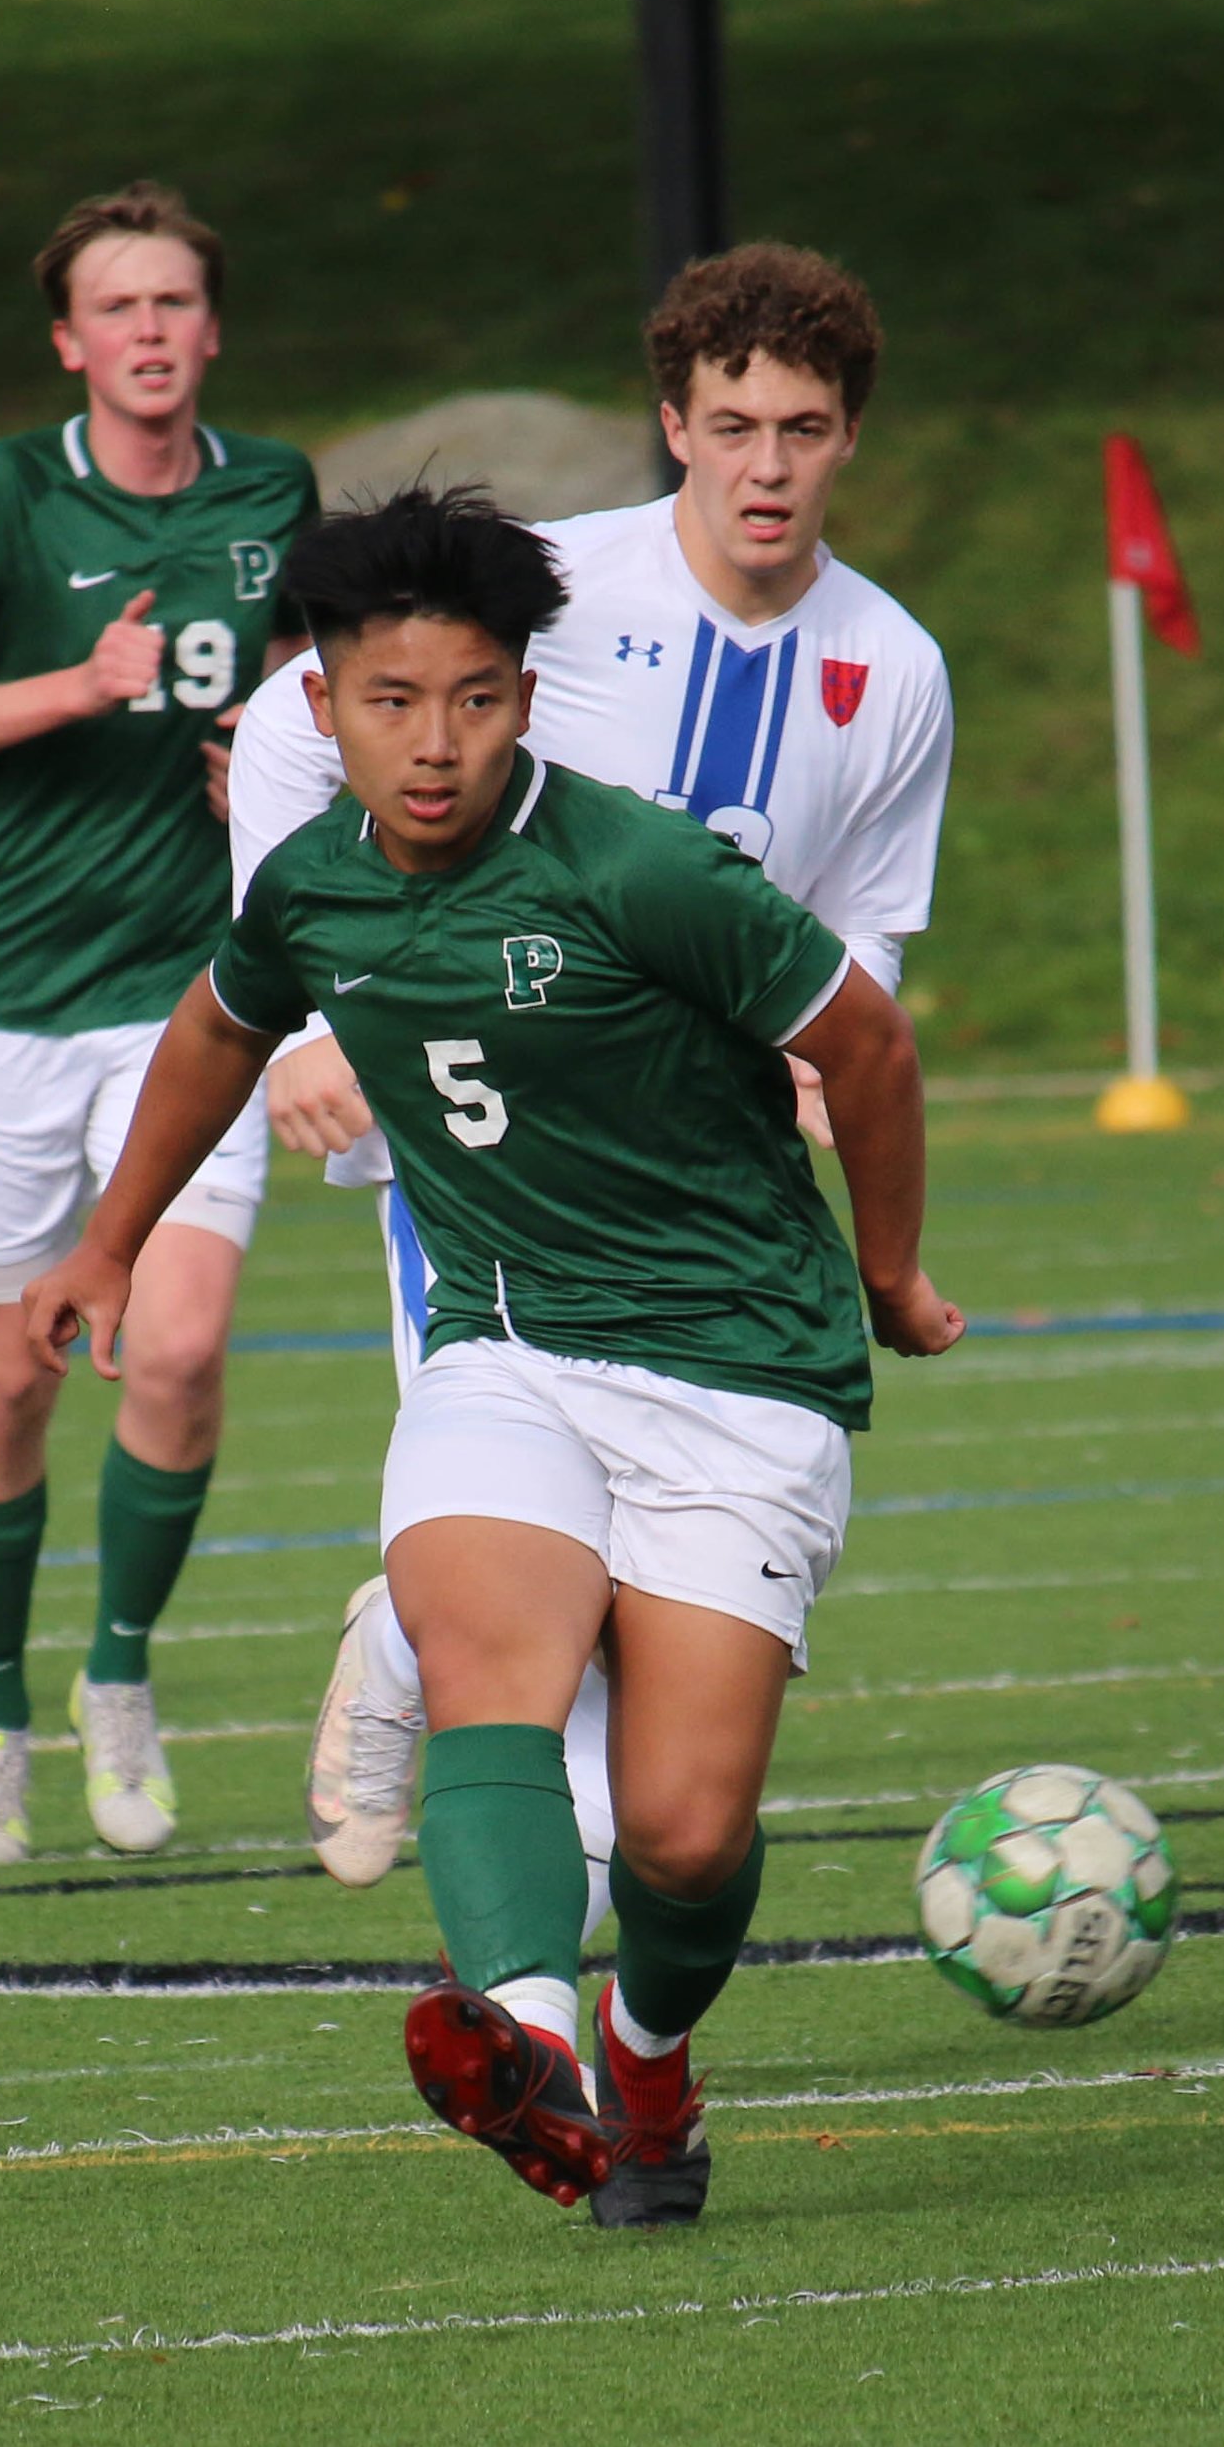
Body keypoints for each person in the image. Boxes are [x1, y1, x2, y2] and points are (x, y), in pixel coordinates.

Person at [23, 489, 959, 2228]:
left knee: (683, 1835)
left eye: (470, 697)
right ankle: (527, 2040)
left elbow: (871, 1042)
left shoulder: (640, 866)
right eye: (391, 701)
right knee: (493, 1667)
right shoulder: (312, 887)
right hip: (507, 1345)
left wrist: (888, 1273)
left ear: (525, 697)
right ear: (321, 708)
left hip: (739, 1368)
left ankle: (649, 2050)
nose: (432, 743)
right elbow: (217, 1031)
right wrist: (107, 1240)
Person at [230, 245, 954, 1904]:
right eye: (732, 423)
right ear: (672, 425)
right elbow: (295, 728)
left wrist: (819, 1086)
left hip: (699, 1189)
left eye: (804, 427)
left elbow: (870, 930)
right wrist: (317, 1020)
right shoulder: (555, 588)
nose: (765, 464)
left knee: (650, 1752)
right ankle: (529, 1981)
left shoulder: (894, 669)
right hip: (480, 1126)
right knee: (537, 1597)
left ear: (851, 438)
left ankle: (408, 1647)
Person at [0, 181, 317, 1867]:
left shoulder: (273, 490)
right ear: (69, 342)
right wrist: (77, 687)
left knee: (180, 1345)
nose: (147, 331)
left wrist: (269, 747)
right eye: (115, 308)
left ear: (212, 328)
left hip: (187, 995)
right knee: (10, 1373)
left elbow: (311, 695)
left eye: (174, 303)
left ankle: (118, 1675)